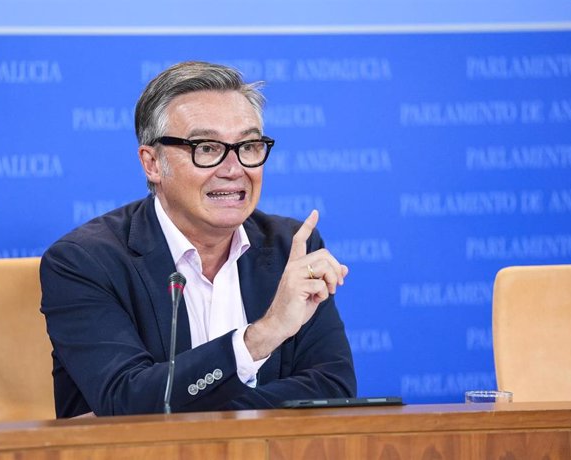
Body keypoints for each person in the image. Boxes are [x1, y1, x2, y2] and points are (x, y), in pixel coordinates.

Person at [40, 61, 356, 417]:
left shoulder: (291, 248)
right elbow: (125, 402)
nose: (234, 169)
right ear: (152, 163)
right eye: (206, 148)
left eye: (249, 146)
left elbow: (333, 388)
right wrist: (261, 337)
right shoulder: (84, 262)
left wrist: (191, 409)